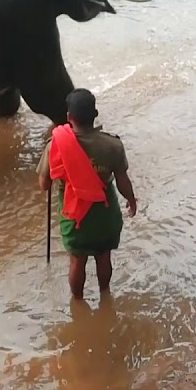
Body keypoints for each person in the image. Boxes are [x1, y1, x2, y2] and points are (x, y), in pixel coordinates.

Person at [38, 88, 138, 300]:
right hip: (105, 212)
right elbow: (122, 180)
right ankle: (105, 296)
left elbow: (44, 184)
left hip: (75, 217)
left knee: (77, 259)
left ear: (69, 117)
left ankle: (78, 303)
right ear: (95, 115)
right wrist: (131, 200)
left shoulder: (56, 146)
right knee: (104, 256)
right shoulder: (113, 145)